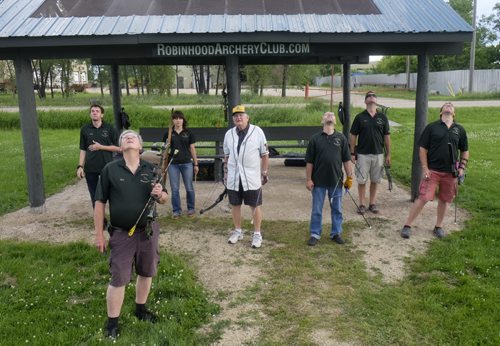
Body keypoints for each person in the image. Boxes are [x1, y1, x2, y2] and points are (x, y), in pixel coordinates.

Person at [94, 129, 168, 339]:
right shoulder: (110, 170)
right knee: (119, 278)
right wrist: (99, 234)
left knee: (146, 272)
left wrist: (160, 194)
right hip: (121, 233)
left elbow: (164, 199)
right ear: (120, 146)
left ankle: (140, 309)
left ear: (140, 146)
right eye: (125, 136)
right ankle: (112, 324)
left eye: (133, 136)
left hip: (148, 232)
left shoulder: (152, 169)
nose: (129, 137)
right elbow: (99, 203)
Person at [400, 102, 469, 239]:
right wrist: (425, 168)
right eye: (446, 105)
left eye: (451, 105)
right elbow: (422, 149)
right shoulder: (432, 128)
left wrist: (462, 167)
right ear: (441, 112)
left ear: (454, 113)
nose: (448, 106)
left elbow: (465, 150)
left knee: (445, 199)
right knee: (423, 197)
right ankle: (407, 225)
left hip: (451, 172)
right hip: (432, 170)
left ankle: (438, 226)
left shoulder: (459, 130)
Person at [223, 105, 269, 248]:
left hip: (251, 177)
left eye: (241, 115)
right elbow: (227, 155)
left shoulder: (257, 132)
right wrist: (225, 173)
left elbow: (265, 154)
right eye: (236, 116)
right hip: (234, 177)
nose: (238, 118)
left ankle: (257, 234)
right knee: (235, 204)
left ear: (247, 117)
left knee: (254, 205)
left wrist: (264, 172)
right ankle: (238, 231)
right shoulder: (229, 134)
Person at [305, 112, 353, 246]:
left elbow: (346, 159)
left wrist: (349, 177)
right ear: (322, 121)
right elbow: (309, 162)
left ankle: (336, 233)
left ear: (335, 122)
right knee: (317, 209)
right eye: (327, 115)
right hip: (318, 181)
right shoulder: (315, 139)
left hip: (336, 181)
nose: (330, 115)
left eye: (332, 115)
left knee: (337, 208)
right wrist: (309, 179)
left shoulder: (341, 138)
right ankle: (315, 233)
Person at [349, 91, 391, 215]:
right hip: (362, 154)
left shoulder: (382, 117)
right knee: (362, 180)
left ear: (376, 101)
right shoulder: (360, 117)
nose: (371, 97)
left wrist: (388, 154)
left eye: (373, 96)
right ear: (365, 101)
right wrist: (352, 153)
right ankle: (362, 204)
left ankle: (372, 203)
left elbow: (387, 136)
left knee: (375, 180)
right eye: (368, 96)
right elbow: (353, 136)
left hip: (378, 154)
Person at [77, 104, 120, 208]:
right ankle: (101, 221)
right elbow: (83, 149)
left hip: (107, 167)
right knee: (95, 196)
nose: (94, 113)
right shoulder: (85, 129)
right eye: (92, 111)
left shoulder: (110, 128)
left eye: (97, 111)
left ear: (102, 115)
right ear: (90, 114)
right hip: (91, 168)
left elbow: (119, 148)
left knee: (112, 194)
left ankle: (116, 219)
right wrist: (80, 166)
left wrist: (101, 147)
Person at [162, 110, 199, 218]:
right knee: (175, 188)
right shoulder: (168, 133)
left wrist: (196, 164)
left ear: (183, 120)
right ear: (173, 120)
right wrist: (167, 146)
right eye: (175, 118)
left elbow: (192, 148)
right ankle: (176, 210)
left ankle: (191, 208)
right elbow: (165, 150)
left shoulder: (188, 133)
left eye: (180, 118)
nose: (178, 120)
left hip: (187, 163)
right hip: (173, 164)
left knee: (189, 187)